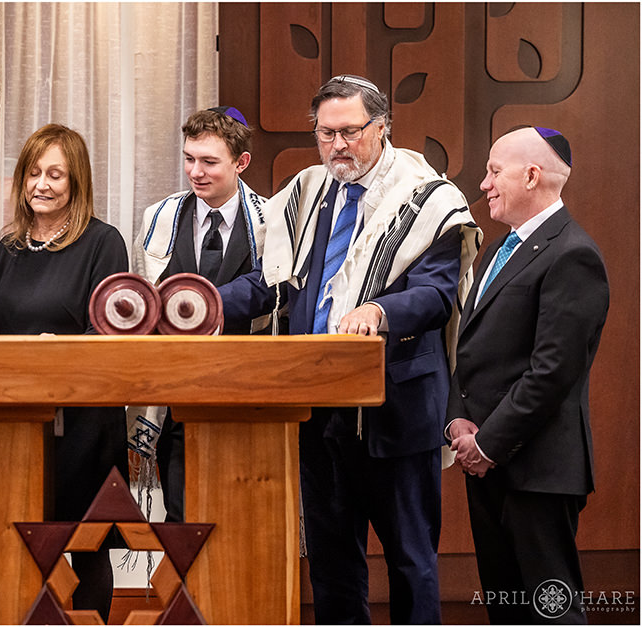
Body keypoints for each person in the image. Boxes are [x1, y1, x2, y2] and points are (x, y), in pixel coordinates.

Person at [218, 74, 481, 623]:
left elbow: (436, 295)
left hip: (395, 408)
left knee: (411, 560)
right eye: (325, 133)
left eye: (351, 132)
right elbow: (273, 281)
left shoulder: (429, 198)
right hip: (318, 409)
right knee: (332, 562)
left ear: (381, 128)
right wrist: (196, 305)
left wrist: (381, 311)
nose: (338, 145)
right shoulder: (309, 192)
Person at [446, 127, 608, 624]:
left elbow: (551, 372)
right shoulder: (498, 250)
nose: (484, 183)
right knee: (506, 608)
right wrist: (458, 423)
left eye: (495, 171)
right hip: (487, 464)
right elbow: (468, 348)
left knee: (548, 613)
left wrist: (488, 443)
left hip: (536, 471)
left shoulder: (572, 255)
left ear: (532, 175)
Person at [0, 123, 129, 622]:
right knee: (23, 546)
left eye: (55, 174)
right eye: (33, 172)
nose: (41, 184)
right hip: (21, 425)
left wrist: (59, 351)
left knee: (87, 550)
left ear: (76, 183)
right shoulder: (8, 249)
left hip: (86, 428)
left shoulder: (103, 242)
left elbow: (113, 332)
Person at [132, 106, 267, 522]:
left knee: (243, 517)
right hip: (179, 397)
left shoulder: (271, 221)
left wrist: (204, 303)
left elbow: (272, 292)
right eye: (189, 159)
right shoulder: (159, 218)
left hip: (245, 397)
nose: (196, 172)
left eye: (209, 162)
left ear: (241, 163)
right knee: (182, 521)